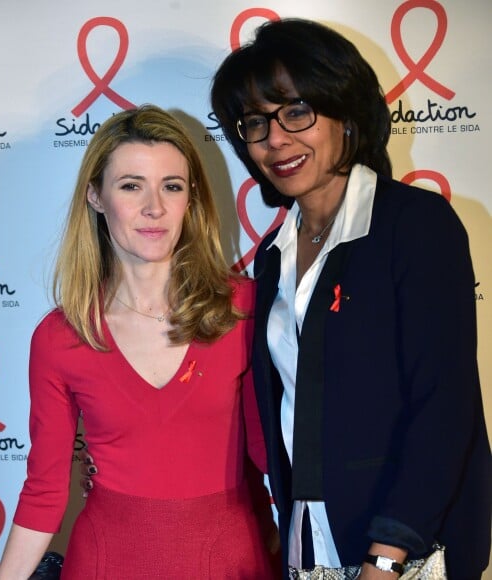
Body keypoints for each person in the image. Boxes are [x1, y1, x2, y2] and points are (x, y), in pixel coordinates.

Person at [209, 17, 491, 580]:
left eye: (295, 111)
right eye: (255, 123)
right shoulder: (272, 256)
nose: (275, 139)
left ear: (345, 111)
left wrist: (387, 557)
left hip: (406, 547)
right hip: (309, 539)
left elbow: (444, 407)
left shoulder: (415, 226)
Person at [0, 105, 278, 579]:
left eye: (172, 186)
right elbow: (44, 492)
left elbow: (276, 456)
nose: (155, 207)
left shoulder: (243, 311)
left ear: (192, 199)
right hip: (105, 563)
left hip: (229, 561)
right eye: (131, 186)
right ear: (96, 196)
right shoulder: (61, 338)